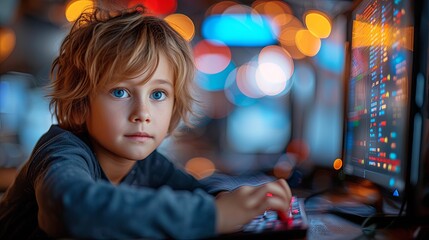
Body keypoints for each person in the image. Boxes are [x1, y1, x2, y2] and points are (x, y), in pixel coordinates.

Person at [0, 5, 292, 239]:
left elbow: (194, 189)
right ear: (80, 104)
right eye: (120, 91)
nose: (142, 112)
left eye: (158, 94)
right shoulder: (62, 152)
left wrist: (236, 198)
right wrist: (214, 216)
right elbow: (70, 209)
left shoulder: (143, 163)